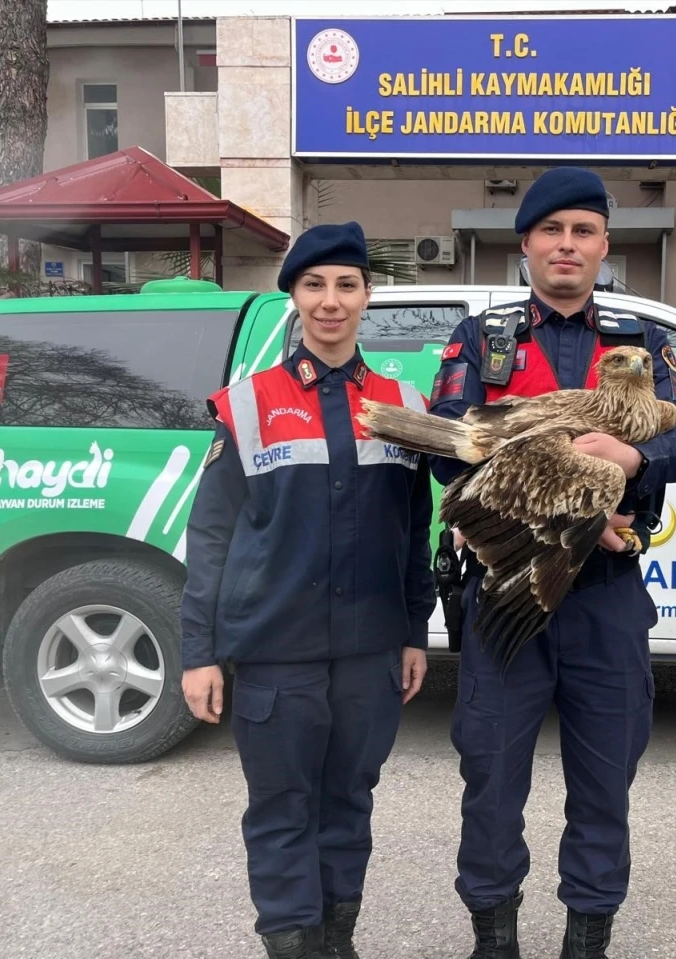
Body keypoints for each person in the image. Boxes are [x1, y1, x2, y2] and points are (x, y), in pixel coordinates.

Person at [427, 167, 676, 959]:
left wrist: (632, 458)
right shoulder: (483, 340)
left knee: (605, 781)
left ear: (604, 246)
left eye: (583, 231)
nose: (566, 245)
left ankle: (588, 939)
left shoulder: (639, 342)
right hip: (508, 585)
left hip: (605, 599)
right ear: (526, 244)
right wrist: (561, 505)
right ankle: (494, 939)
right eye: (551, 230)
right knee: (491, 780)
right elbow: (448, 448)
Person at [178, 222, 437, 959]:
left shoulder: (403, 405)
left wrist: (413, 632)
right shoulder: (247, 403)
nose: (331, 301)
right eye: (314, 285)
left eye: (346, 285)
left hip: (369, 651)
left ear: (366, 296)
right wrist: (199, 652)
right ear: (293, 295)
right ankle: (293, 944)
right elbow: (211, 535)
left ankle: (336, 940)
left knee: (348, 803)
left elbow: (414, 527)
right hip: (274, 650)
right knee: (282, 808)